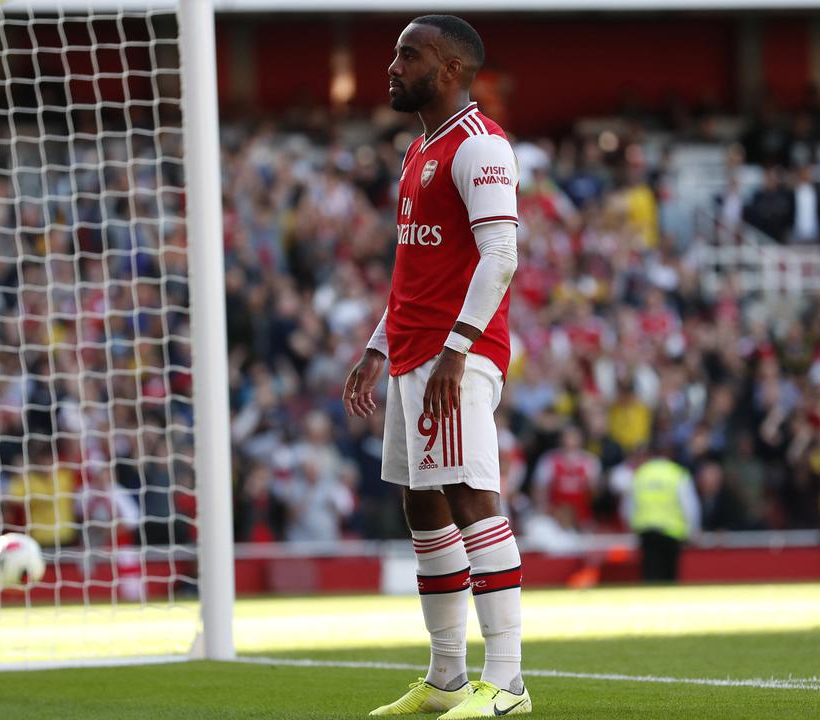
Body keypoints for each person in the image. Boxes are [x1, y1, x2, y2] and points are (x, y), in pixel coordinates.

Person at [343, 15, 530, 718]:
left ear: (449, 69)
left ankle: (507, 683)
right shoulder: (421, 148)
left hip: (457, 355)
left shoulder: (480, 146)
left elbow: (501, 255)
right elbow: (415, 270)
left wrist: (458, 350)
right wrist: (377, 346)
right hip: (413, 351)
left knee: (470, 495)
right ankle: (447, 676)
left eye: (408, 55)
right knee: (423, 506)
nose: (392, 66)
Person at [626, 453, 700, 582]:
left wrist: (632, 529)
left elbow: (629, 506)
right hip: (672, 533)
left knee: (650, 576)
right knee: (669, 577)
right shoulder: (677, 473)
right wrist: (692, 533)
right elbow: (689, 506)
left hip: (647, 533)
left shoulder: (641, 473)